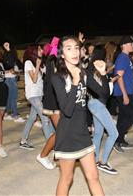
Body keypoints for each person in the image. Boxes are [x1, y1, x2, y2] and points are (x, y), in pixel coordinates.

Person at [51, 36, 104, 196]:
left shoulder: (84, 72)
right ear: (61, 54)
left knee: (94, 177)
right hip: (67, 135)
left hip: (83, 133)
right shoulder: (57, 77)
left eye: (76, 48)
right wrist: (74, 82)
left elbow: (103, 93)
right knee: (67, 179)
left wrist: (103, 75)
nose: (74, 52)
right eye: (68, 48)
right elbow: (66, 110)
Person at [87, 46, 119, 175]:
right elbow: (105, 93)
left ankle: (94, 160)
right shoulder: (95, 70)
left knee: (98, 134)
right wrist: (105, 76)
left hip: (95, 104)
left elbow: (103, 91)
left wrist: (106, 76)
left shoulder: (91, 69)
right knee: (114, 133)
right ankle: (103, 162)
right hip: (98, 104)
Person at [19, 45, 54, 157]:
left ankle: (23, 141)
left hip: (39, 94)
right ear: (33, 51)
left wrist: (49, 56)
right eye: (39, 49)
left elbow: (48, 71)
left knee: (32, 118)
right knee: (44, 117)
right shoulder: (28, 63)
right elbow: (34, 79)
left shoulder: (38, 62)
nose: (41, 51)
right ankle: (51, 143)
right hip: (32, 95)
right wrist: (38, 65)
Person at [113, 36, 133, 153]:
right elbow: (119, 78)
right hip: (122, 92)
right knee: (131, 116)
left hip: (128, 91)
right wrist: (125, 94)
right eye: (130, 44)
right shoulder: (122, 58)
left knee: (124, 117)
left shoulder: (126, 58)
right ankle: (116, 140)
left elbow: (127, 78)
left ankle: (120, 140)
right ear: (123, 45)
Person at [37, 38, 60, 170]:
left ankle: (57, 155)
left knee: (62, 130)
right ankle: (43, 155)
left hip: (58, 100)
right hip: (53, 102)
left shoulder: (54, 60)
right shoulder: (52, 60)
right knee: (61, 131)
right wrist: (54, 45)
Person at [2, 42, 25, 122]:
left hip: (11, 78)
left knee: (10, 97)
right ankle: (15, 114)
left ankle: (7, 113)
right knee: (13, 97)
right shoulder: (6, 56)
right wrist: (8, 50)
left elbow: (21, 67)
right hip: (9, 78)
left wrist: (17, 71)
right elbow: (8, 65)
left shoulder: (13, 57)